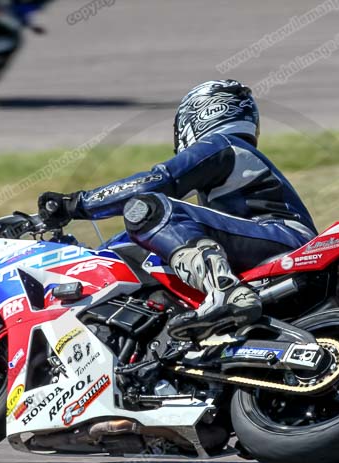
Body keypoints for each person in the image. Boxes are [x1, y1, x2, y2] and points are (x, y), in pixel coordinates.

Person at [38, 80, 317, 341]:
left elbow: (159, 181)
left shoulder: (223, 146)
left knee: (147, 209)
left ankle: (225, 290)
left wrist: (77, 204)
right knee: (143, 241)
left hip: (283, 238)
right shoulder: (237, 163)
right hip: (274, 244)